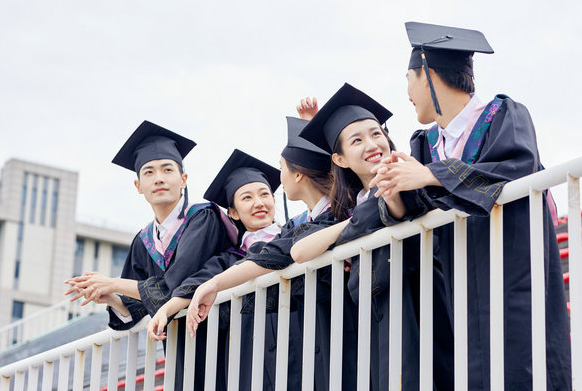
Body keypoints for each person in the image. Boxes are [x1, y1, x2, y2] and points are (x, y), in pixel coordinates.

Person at [369, 22, 571, 389]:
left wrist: (431, 175)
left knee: (522, 369)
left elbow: (513, 170)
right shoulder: (426, 144)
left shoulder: (503, 115)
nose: (408, 93)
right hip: (456, 287)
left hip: (513, 278)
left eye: (409, 79)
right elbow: (417, 208)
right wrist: (394, 192)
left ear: (428, 74)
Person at [148, 117, 337, 390]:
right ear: (233, 212)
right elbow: (198, 281)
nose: (259, 203)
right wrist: (166, 309)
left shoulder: (300, 231)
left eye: (264, 194)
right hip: (254, 362)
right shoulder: (230, 259)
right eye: (247, 198)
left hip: (307, 345)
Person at [292, 83, 454, 390]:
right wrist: (354, 223)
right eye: (357, 140)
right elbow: (299, 252)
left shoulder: (409, 173)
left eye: (376, 133)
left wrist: (367, 215)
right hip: (381, 319)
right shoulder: (353, 204)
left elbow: (397, 204)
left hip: (424, 305)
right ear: (339, 159)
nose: (372, 143)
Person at [64, 120, 231, 390]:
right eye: (149, 172)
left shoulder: (203, 218)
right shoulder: (143, 241)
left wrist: (115, 283)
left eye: (168, 170)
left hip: (223, 338)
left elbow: (176, 286)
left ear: (184, 180)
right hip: (179, 348)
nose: (159, 178)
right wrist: (115, 299)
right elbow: (138, 307)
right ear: (138, 185)